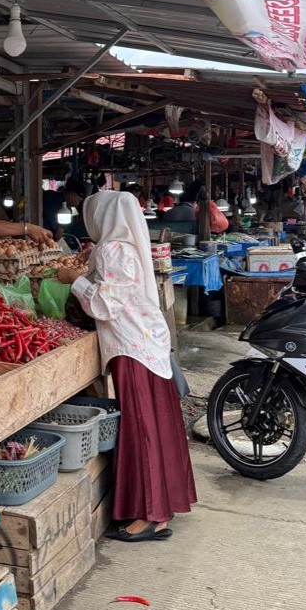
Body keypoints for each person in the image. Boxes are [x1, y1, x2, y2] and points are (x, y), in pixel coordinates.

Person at [56, 191, 196, 542]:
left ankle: (147, 516)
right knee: (158, 427)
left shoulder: (112, 250)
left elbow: (104, 305)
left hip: (131, 349)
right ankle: (160, 511)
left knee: (142, 431)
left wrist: (73, 280)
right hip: (147, 346)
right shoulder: (128, 247)